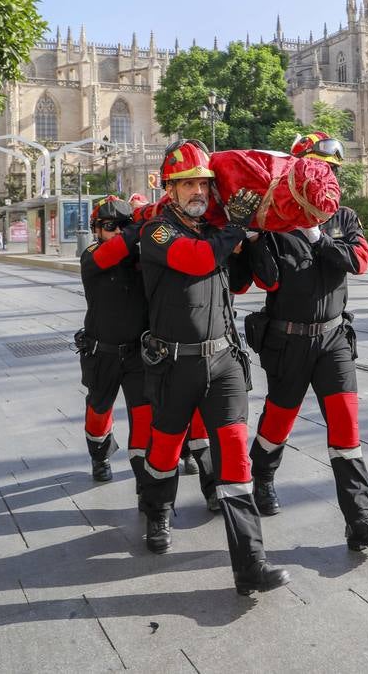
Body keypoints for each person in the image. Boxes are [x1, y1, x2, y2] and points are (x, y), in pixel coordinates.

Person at [138, 138, 289, 596]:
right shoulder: (158, 233)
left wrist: (257, 238)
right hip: (174, 365)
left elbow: (250, 282)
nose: (197, 190)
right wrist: (235, 231)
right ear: (170, 188)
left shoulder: (216, 232)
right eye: (187, 184)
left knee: (236, 460)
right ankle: (158, 513)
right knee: (164, 453)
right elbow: (198, 260)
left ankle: (251, 565)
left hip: (224, 361)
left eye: (203, 182)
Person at [238, 132, 368, 554]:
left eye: (330, 170)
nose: (326, 176)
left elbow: (358, 261)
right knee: (278, 422)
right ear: (297, 173)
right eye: (318, 168)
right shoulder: (272, 223)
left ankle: (359, 522)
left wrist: (316, 235)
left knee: (346, 429)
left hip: (333, 340)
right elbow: (264, 281)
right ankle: (263, 478)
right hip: (288, 341)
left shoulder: (343, 217)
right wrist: (254, 238)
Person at [77, 196, 151, 494]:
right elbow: (116, 250)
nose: (118, 232)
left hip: (137, 355)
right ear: (97, 230)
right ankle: (99, 454)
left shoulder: (141, 256)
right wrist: (139, 223)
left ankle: (146, 483)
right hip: (102, 353)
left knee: (144, 418)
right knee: (98, 411)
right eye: (110, 226)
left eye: (123, 225)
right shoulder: (92, 256)